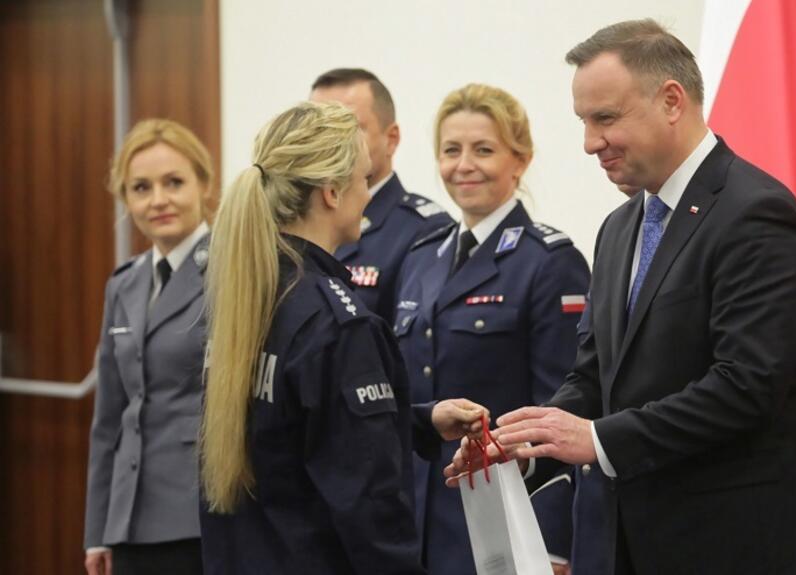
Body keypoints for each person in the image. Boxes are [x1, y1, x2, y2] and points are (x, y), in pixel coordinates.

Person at [447, 20, 796, 575]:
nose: (590, 143)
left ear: (672, 101)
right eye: (584, 122)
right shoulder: (619, 227)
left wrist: (598, 438)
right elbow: (593, 376)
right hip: (627, 547)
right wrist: (524, 440)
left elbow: (747, 387)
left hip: (737, 546)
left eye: (605, 118)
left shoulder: (756, 214)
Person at [198, 101, 486, 575]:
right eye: (363, 179)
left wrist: (418, 421)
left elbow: (298, 426)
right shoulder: (339, 324)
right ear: (331, 192)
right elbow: (370, 505)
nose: (367, 195)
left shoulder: (248, 298)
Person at [395, 83, 590, 574]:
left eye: (484, 150)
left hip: (507, 525)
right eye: (451, 150)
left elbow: (564, 407)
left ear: (519, 160)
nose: (464, 165)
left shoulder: (548, 263)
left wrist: (553, 545)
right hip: (420, 525)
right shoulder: (421, 258)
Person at [84, 119, 214, 575]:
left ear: (203, 184)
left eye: (173, 182)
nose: (157, 199)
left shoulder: (231, 270)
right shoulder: (125, 284)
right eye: (141, 187)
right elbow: (109, 421)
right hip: (130, 518)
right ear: (126, 199)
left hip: (202, 513)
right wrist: (98, 530)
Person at [310, 68, 453, 319]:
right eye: (318, 130)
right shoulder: (298, 220)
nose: (331, 143)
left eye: (350, 128)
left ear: (391, 139)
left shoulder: (426, 231)